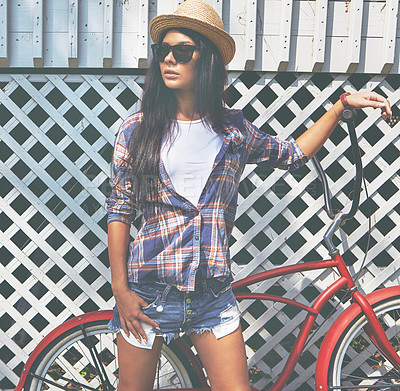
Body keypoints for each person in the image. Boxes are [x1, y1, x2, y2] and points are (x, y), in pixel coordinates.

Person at [106, 1, 391, 390]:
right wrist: (120, 290)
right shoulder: (137, 131)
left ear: (205, 60)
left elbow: (293, 153)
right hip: (149, 294)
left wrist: (340, 106)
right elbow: (119, 210)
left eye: (182, 51)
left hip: (212, 296)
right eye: (162, 51)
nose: (169, 59)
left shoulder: (233, 131)